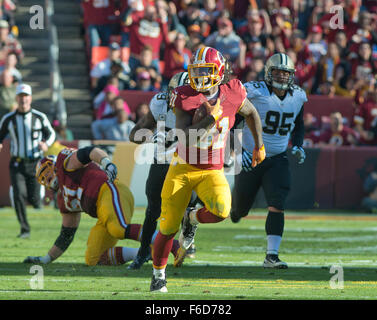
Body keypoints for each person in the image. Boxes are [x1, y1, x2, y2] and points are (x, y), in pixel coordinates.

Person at [150, 47, 265, 292]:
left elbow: (252, 113)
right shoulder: (184, 95)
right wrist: (210, 119)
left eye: (206, 70)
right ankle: (158, 274)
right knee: (168, 227)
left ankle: (191, 218)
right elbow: (185, 137)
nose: (201, 75)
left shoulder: (233, 90)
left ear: (220, 71)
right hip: (182, 168)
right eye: (197, 70)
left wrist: (259, 146)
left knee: (222, 210)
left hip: (212, 169)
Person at [23, 146, 180, 266]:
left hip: (110, 190)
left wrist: (107, 163)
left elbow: (89, 152)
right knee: (94, 257)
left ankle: (172, 244)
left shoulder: (65, 163)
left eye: (46, 172)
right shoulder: (63, 201)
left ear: (53, 165)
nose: (47, 178)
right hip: (103, 211)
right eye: (43, 178)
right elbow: (66, 235)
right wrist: (46, 259)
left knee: (117, 228)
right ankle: (147, 254)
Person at [230, 53, 307, 269]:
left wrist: (298, 144)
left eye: (286, 73)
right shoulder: (253, 92)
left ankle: (271, 256)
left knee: (277, 203)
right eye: (278, 72)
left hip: (277, 158)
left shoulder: (298, 96)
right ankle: (234, 211)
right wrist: (238, 151)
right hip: (251, 157)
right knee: (240, 211)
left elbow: (299, 124)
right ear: (268, 73)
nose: (282, 77)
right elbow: (232, 123)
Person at [128, 71, 198, 270]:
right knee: (153, 210)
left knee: (190, 205)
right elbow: (134, 134)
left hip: (188, 164)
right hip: (163, 162)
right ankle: (143, 253)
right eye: (175, 93)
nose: (177, 98)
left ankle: (187, 240)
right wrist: (150, 137)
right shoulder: (159, 104)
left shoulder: (200, 108)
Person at [0, 83, 56, 238]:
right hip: (17, 162)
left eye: (26, 97)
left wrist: (46, 143)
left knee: (35, 200)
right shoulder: (8, 119)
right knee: (19, 194)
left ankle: (40, 194)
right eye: (20, 97)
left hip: (36, 162)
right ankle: (25, 229)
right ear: (16, 98)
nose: (23, 100)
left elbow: (51, 134)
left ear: (30, 98)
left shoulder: (39, 117)